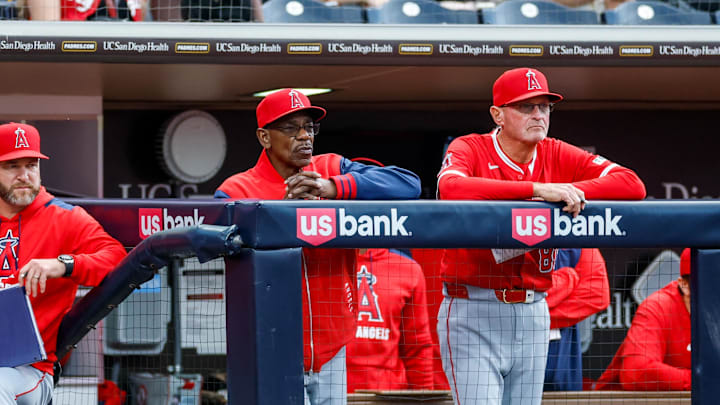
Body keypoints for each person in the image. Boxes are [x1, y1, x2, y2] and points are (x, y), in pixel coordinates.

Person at [435, 67, 646, 405]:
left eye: (544, 106)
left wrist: (568, 189)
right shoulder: (472, 147)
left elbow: (632, 184)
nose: (538, 114)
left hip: (534, 310)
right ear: (497, 114)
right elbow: (451, 186)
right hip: (473, 307)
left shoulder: (556, 151)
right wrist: (536, 190)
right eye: (525, 106)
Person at [215, 88, 421, 405]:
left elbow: (409, 184)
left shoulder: (330, 167)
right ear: (264, 137)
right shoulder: (238, 189)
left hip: (333, 348)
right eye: (290, 128)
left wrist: (333, 187)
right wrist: (280, 214)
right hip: (273, 346)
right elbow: (217, 248)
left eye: (309, 127)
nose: (304, 136)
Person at [0, 123, 127, 405]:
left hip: (29, 370)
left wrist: (63, 264)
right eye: (12, 166)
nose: (25, 175)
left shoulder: (65, 218)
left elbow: (117, 257)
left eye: (32, 165)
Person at [595, 248, 691, 391]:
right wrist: (702, 379)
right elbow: (636, 372)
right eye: (709, 280)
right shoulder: (658, 306)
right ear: (684, 285)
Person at [346, 248, 434, 393]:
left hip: (388, 396)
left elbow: (418, 347)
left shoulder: (408, 270)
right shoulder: (323, 264)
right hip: (331, 393)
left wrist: (424, 399)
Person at [544, 248, 610, 391]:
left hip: (560, 354)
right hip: (507, 346)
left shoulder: (576, 235)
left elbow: (598, 295)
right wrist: (568, 279)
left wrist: (534, 316)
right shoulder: (504, 236)